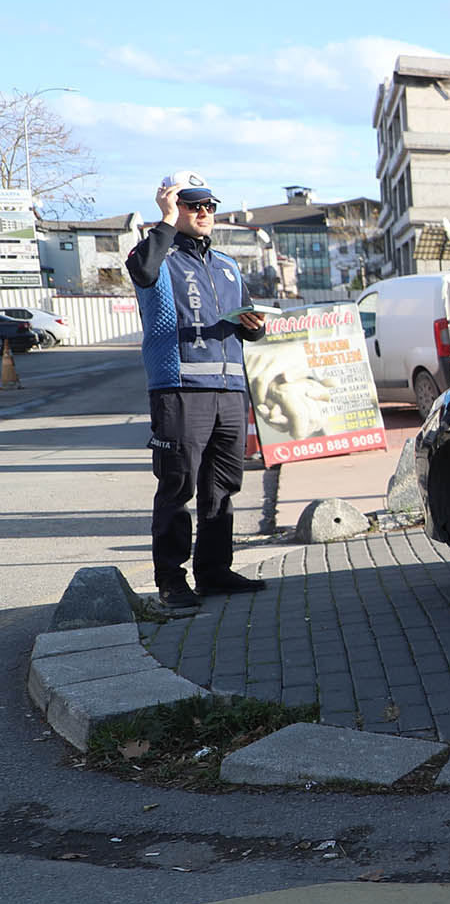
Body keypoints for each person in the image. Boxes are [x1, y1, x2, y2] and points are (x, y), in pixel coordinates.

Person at [126, 172, 270, 610]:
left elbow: (245, 327)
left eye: (209, 204)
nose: (204, 212)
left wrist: (256, 328)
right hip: (179, 388)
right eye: (193, 204)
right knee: (177, 485)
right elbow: (141, 271)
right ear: (172, 205)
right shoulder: (157, 253)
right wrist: (166, 220)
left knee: (222, 486)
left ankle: (214, 571)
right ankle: (171, 580)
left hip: (229, 388)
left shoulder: (228, 264)